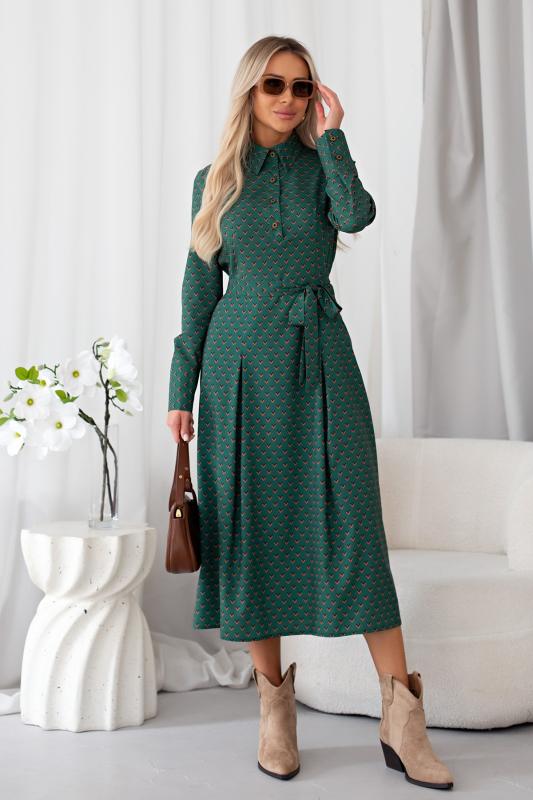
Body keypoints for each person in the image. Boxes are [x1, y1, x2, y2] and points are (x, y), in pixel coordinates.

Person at [166, 35, 454, 791]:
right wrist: (178, 392)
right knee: (251, 528)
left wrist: (333, 138)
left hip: (321, 358)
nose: (289, 98)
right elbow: (197, 295)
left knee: (353, 524)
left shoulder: (325, 163)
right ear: (249, 92)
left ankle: (402, 720)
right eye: (274, 85)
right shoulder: (213, 180)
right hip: (237, 369)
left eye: (301, 86)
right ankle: (274, 713)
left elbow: (356, 215)